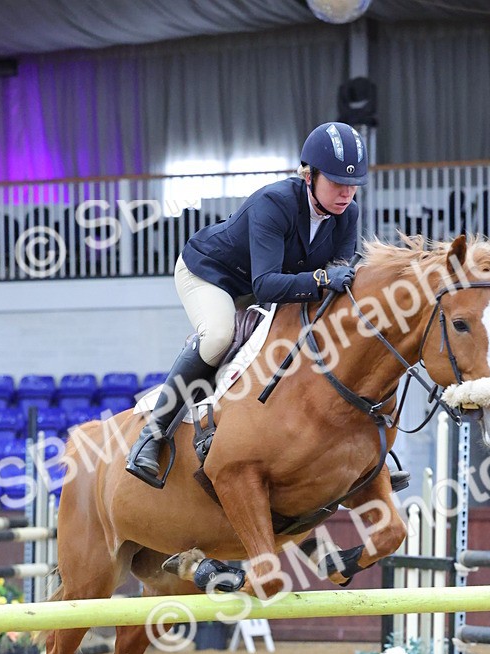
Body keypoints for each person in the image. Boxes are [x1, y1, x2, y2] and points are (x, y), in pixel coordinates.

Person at [126, 121, 368, 487]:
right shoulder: (275, 203)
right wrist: (320, 280)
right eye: (336, 182)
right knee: (219, 336)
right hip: (211, 274)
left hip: (269, 284)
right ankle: (153, 433)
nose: (346, 193)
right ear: (309, 174)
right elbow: (267, 285)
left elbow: (335, 277)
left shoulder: (347, 213)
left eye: (352, 184)